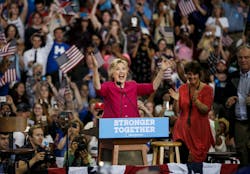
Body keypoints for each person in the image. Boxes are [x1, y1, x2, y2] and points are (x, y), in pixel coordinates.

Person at [92, 54, 171, 118]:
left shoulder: (133, 85)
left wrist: (162, 71)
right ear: (112, 73)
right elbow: (98, 88)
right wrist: (95, 68)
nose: (121, 71)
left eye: (123, 69)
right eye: (117, 69)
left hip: (132, 129)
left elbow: (153, 87)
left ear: (127, 72)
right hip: (112, 130)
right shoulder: (108, 86)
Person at [169, 61, 214, 162]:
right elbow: (176, 111)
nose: (192, 76)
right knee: (181, 160)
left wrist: (196, 102)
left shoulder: (207, 89)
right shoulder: (182, 88)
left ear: (199, 74)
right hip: (182, 131)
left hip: (199, 130)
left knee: (199, 164)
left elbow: (206, 110)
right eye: (189, 74)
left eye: (195, 74)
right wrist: (176, 100)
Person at [224, 44, 250, 166]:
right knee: (242, 153)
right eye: (240, 58)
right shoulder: (232, 76)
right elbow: (224, 99)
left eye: (246, 57)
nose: (243, 60)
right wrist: (228, 102)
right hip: (239, 121)